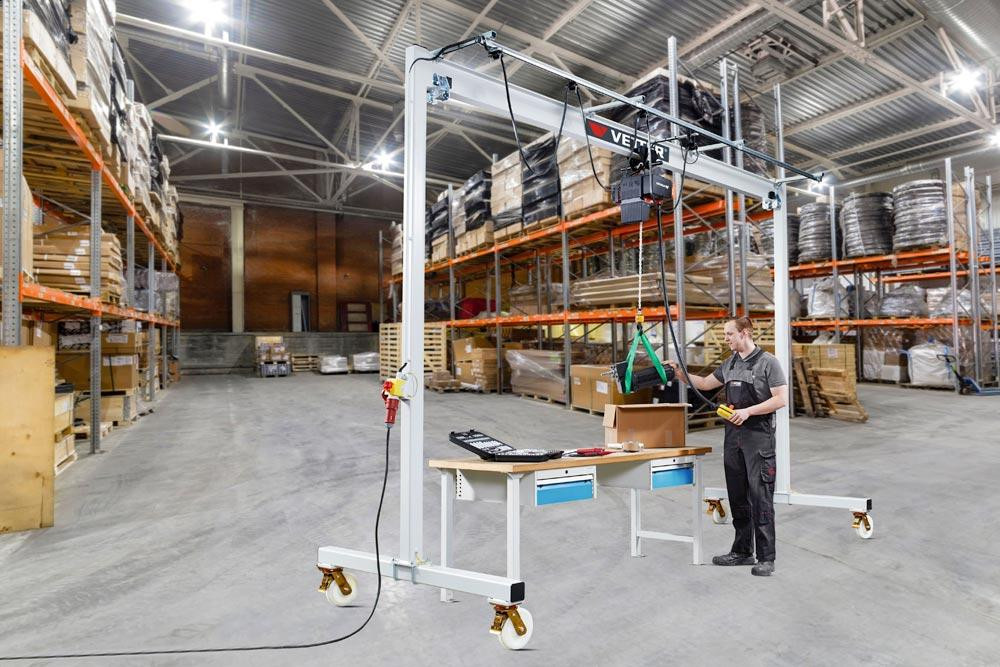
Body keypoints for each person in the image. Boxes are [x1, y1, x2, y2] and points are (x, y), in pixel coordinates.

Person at [667, 317, 788, 577]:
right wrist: (679, 373)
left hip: (758, 438)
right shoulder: (730, 363)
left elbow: (781, 399)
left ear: (745, 333)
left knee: (761, 497)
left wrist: (748, 411)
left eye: (729, 334)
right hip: (733, 437)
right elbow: (704, 384)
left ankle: (766, 558)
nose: (725, 339)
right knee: (737, 496)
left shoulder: (768, 362)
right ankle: (743, 551)